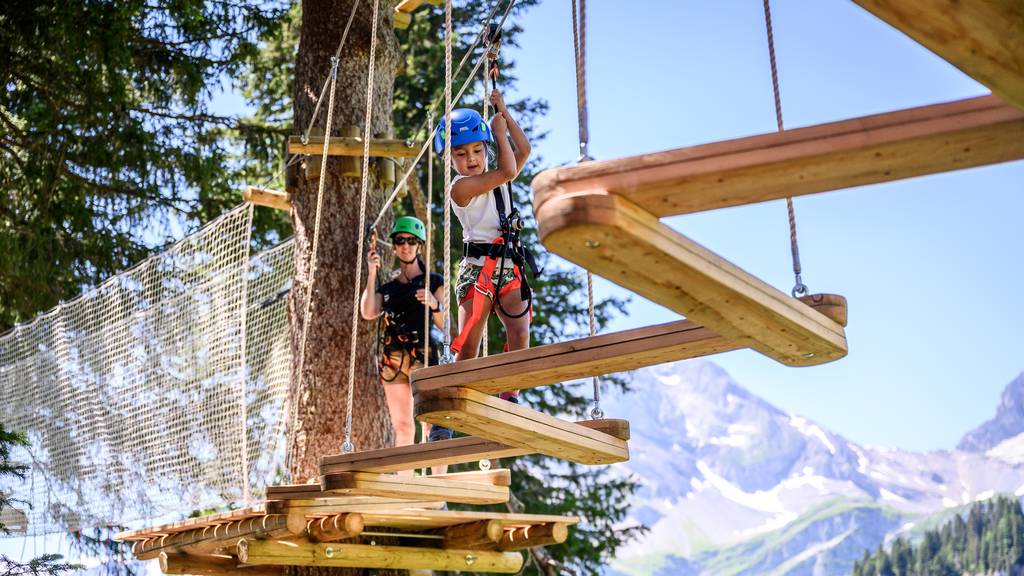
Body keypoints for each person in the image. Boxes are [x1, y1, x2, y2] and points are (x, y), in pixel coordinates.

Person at [434, 89, 534, 403]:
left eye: (478, 150)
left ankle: (510, 394)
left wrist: (503, 113)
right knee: (468, 345)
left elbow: (524, 150)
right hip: (478, 272)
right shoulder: (460, 188)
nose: (472, 159)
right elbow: (508, 170)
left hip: (508, 267)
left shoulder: (497, 173)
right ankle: (454, 401)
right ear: (449, 159)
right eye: (461, 154)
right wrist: (498, 133)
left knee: (519, 332)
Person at [360, 216, 445, 455]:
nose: (405, 246)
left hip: (423, 356)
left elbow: (446, 326)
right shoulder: (388, 289)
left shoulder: (433, 281)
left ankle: (437, 486)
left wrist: (434, 304)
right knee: (403, 428)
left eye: (410, 241)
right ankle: (407, 484)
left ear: (419, 245)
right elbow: (368, 312)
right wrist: (371, 273)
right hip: (393, 360)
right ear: (394, 246)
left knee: (431, 423)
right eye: (400, 241)